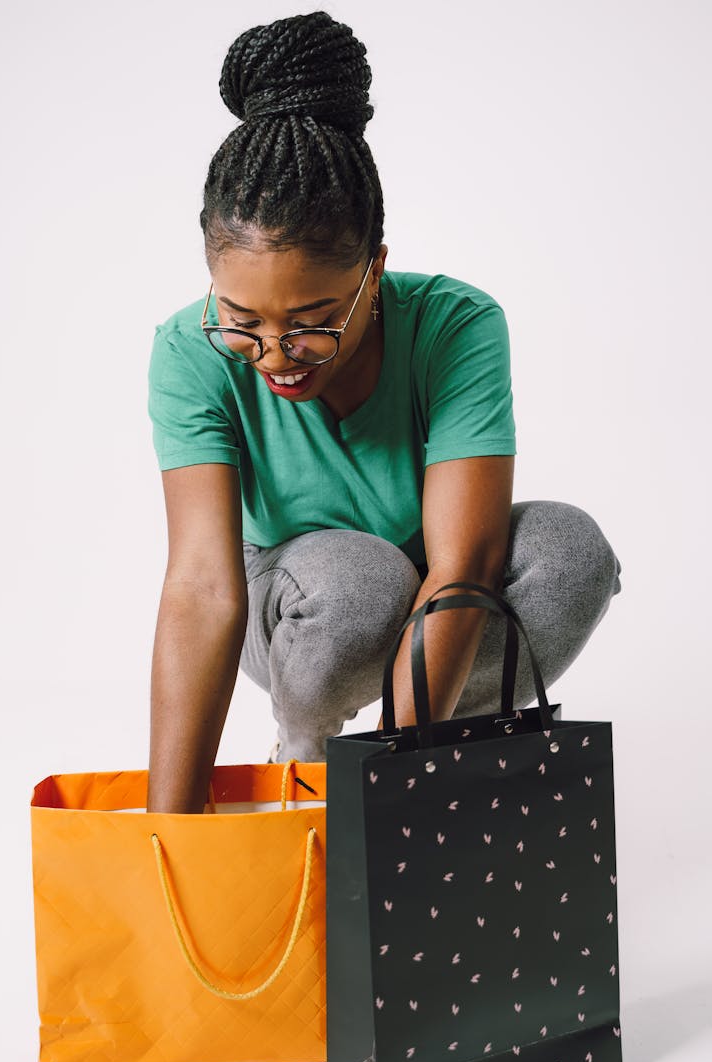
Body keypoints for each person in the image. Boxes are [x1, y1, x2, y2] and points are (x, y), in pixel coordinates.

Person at [145, 10, 621, 814]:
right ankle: (307, 762)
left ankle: (412, 764)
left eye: (311, 324)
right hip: (297, 600)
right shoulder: (187, 352)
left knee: (570, 548)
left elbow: (461, 570)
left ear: (376, 272)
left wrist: (394, 794)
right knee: (361, 581)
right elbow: (202, 588)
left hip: (437, 586)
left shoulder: (457, 325)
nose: (271, 355)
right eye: (242, 321)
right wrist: (167, 836)